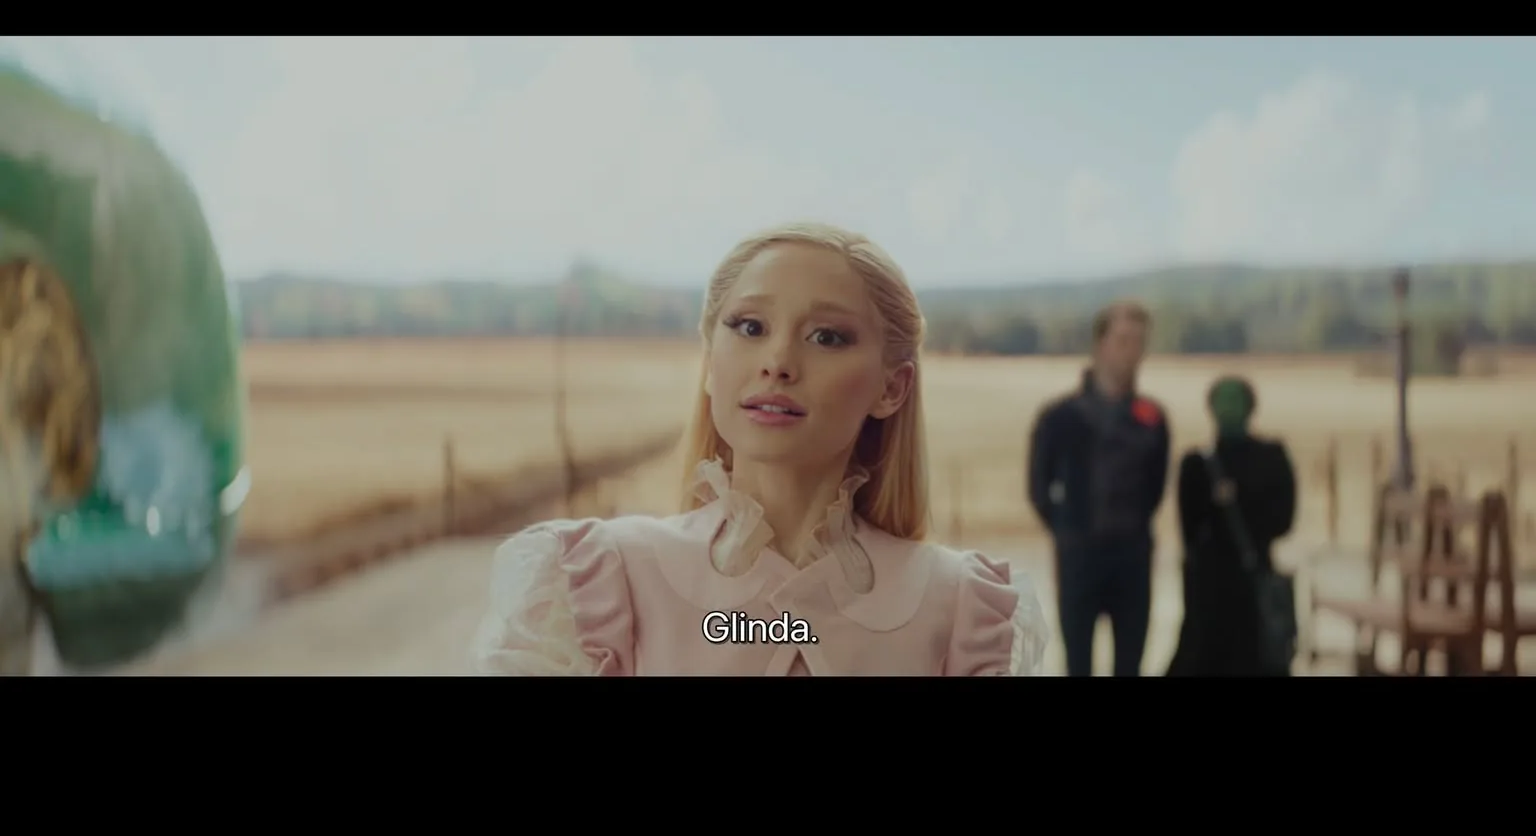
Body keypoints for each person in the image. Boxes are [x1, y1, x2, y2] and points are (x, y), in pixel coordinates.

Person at [472, 222, 1049, 676]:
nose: (777, 361)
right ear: (709, 362)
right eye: (749, 326)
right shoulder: (596, 585)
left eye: (827, 336)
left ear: (891, 388)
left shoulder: (963, 611)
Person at [1027, 300, 1169, 677]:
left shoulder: (1152, 420)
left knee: (1130, 665)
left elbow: (1155, 490)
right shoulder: (1060, 419)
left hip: (1132, 560)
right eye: (1123, 340)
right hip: (1079, 558)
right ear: (1100, 345)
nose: (1132, 351)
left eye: (1139, 342)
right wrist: (1068, 531)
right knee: (1077, 665)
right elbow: (1038, 488)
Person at [1166, 376, 1297, 677]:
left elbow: (1188, 533)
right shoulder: (1272, 458)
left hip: (1209, 593)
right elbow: (1283, 521)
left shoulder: (1197, 464)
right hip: (1252, 579)